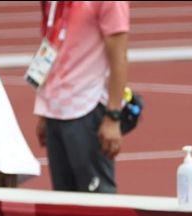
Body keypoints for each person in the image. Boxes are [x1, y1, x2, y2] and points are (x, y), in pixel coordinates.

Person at [32, 1, 129, 193]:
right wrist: (45, 110)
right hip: (56, 111)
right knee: (65, 204)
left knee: (97, 205)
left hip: (87, 109)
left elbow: (119, 58)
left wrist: (113, 117)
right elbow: (52, 47)